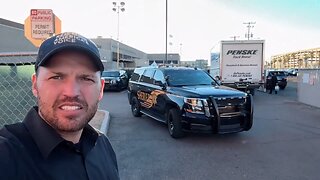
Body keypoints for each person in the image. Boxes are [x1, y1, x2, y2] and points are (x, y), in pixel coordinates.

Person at [0, 32, 120, 180]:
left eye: (86, 78)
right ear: (35, 85)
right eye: (56, 77)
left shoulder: (103, 145)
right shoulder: (7, 155)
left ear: (101, 89)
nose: (71, 92)